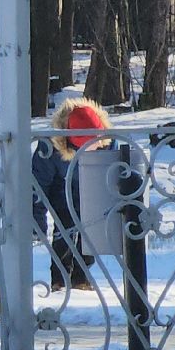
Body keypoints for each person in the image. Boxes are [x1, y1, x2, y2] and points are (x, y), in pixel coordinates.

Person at [31, 96, 109, 292]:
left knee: (91, 231)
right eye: (86, 147)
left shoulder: (107, 143)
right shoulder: (49, 147)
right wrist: (37, 222)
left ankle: (82, 278)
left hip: (92, 192)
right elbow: (38, 186)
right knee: (64, 229)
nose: (93, 149)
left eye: (95, 145)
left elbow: (113, 175)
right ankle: (60, 280)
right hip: (60, 191)